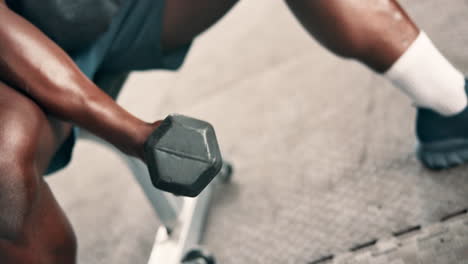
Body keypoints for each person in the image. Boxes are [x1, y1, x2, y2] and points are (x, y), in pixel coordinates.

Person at [0, 0, 465, 262]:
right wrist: (139, 136)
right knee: (4, 167)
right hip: (15, 72)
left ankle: (449, 102)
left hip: (114, 11)